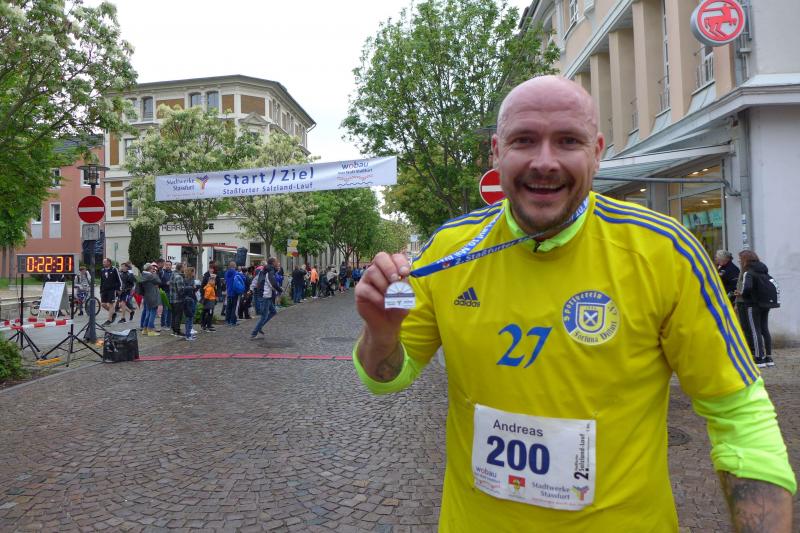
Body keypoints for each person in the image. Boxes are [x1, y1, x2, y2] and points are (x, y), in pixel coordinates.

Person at [353, 76, 795, 531]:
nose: (545, 162)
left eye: (568, 141)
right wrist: (380, 335)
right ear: (496, 153)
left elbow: (738, 414)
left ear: (597, 152)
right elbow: (386, 379)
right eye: (524, 140)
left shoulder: (664, 251)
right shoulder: (450, 249)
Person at [736, 250, 777, 368]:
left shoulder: (748, 272)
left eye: (740, 259)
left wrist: (742, 294)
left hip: (752, 304)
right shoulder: (762, 270)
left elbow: (748, 288)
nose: (739, 261)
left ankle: (759, 359)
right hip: (765, 304)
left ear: (745, 259)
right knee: (764, 329)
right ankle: (768, 357)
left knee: (755, 330)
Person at [250, 257, 280, 339]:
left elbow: (255, 280)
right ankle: (254, 333)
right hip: (265, 296)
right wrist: (279, 290)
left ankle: (259, 328)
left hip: (267, 295)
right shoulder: (269, 271)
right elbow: (271, 283)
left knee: (273, 312)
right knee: (264, 316)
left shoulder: (263, 270)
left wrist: (251, 289)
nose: (277, 263)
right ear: (273, 263)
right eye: (276, 261)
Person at [139, 263, 161, 336]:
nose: (153, 269)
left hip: (146, 295)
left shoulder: (142, 275)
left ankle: (145, 329)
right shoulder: (150, 275)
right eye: (152, 268)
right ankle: (150, 330)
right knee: (153, 313)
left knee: (148, 313)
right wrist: (155, 274)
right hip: (152, 295)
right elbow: (159, 281)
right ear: (149, 269)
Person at [99, 258, 121, 326]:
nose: (103, 263)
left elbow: (119, 279)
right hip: (104, 290)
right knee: (103, 304)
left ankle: (109, 320)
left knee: (111, 304)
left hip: (112, 289)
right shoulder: (102, 270)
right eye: (103, 262)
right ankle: (113, 313)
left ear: (109, 262)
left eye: (104, 262)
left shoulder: (114, 269)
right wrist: (101, 290)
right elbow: (102, 281)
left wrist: (119, 289)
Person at [168, 263, 185, 337]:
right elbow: (180, 290)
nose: (184, 268)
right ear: (181, 268)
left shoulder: (172, 275)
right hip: (178, 299)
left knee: (174, 315)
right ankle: (177, 331)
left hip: (172, 298)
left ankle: (174, 330)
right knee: (178, 315)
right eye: (183, 267)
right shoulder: (179, 276)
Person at [182, 267, 198, 341]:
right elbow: (184, 289)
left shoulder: (192, 279)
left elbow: (194, 289)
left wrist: (195, 288)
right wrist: (192, 287)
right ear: (190, 272)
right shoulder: (185, 280)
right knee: (189, 317)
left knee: (191, 317)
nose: (194, 273)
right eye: (194, 272)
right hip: (188, 300)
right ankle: (187, 335)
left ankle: (190, 333)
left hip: (193, 298)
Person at [224, 261, 241, 326]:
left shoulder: (226, 273)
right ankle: (232, 321)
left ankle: (227, 321)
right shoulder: (236, 273)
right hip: (235, 292)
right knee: (234, 307)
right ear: (235, 266)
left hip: (229, 291)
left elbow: (226, 281)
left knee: (228, 307)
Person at [159, 260, 173, 330]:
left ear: (171, 266)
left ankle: (169, 324)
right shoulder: (162, 272)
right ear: (165, 265)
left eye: (169, 265)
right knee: (165, 309)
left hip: (172, 293)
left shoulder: (173, 273)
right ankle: (163, 324)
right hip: (164, 293)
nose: (168, 266)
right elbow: (158, 283)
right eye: (166, 265)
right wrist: (165, 283)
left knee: (170, 308)